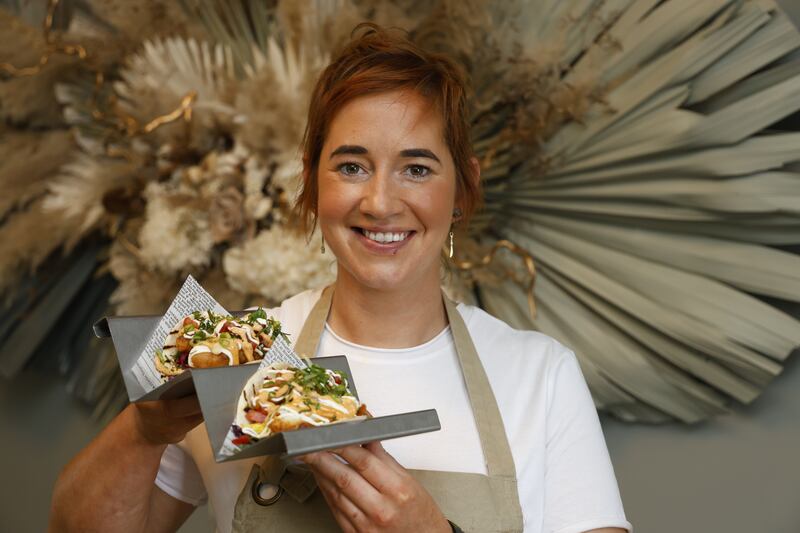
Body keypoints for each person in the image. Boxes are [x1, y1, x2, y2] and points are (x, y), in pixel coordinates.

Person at [50, 23, 632, 533]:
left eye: (417, 168)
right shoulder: (231, 355)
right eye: (352, 166)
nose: (380, 202)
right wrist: (143, 431)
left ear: (462, 187)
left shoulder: (540, 376)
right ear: (313, 181)